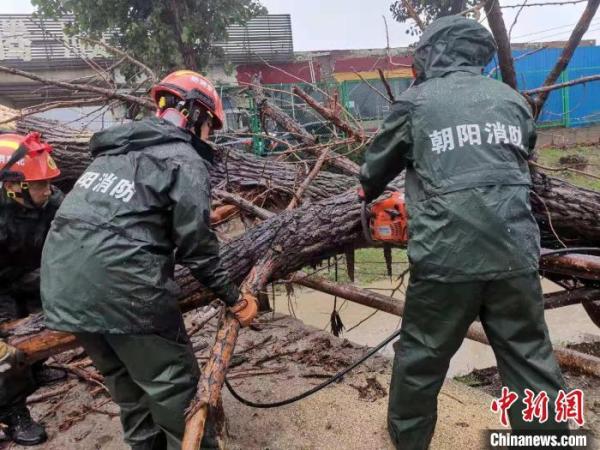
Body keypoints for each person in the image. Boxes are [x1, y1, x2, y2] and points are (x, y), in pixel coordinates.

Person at [359, 16, 569, 450]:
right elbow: (522, 152)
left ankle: (409, 441)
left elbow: (371, 174)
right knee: (530, 358)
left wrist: (376, 189)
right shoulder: (512, 100)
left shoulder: (415, 103)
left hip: (446, 259)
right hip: (515, 255)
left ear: (431, 53)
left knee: (421, 359)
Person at [40, 70, 258, 450]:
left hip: (63, 291)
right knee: (180, 403)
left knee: (131, 397)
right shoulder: (183, 159)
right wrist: (235, 299)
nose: (210, 136)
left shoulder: (114, 152)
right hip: (127, 296)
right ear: (195, 114)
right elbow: (198, 249)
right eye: (211, 126)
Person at [0, 131, 64, 445]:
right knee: (7, 350)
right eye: (40, 184)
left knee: (46, 318)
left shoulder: (52, 200)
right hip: (0, 286)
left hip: (30, 271)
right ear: (13, 187)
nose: (48, 190)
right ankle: (13, 415)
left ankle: (37, 369)